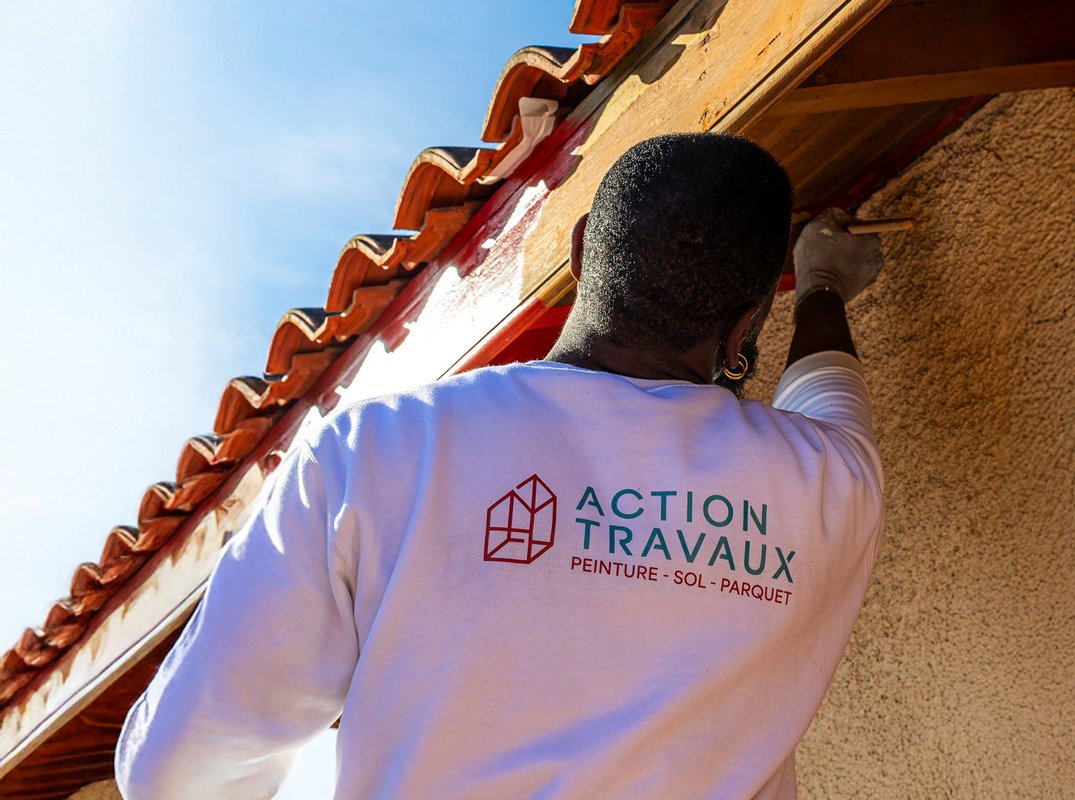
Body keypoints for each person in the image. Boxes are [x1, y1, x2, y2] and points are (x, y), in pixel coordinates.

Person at [115, 133, 889, 799]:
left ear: (584, 249)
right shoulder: (831, 481)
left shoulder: (379, 447)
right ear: (747, 322)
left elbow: (178, 768)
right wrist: (822, 283)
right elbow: (828, 386)